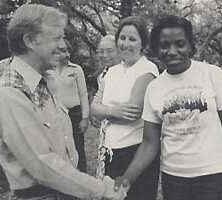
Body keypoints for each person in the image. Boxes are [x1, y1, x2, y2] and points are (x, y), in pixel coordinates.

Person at [0, 4, 126, 200]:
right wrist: (100, 189)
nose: (63, 45)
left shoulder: (43, 82)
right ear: (30, 40)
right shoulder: (11, 92)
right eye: (56, 38)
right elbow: (42, 165)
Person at [114, 15, 222, 200]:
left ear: (190, 46)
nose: (172, 51)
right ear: (156, 49)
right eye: (164, 45)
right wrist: (127, 178)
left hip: (213, 174)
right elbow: (150, 143)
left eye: (180, 44)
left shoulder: (212, 74)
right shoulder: (154, 88)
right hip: (174, 178)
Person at [91, 16, 160, 200]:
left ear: (143, 43)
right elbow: (93, 109)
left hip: (134, 152)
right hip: (109, 151)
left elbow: (132, 113)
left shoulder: (147, 69)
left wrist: (103, 111)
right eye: (122, 38)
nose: (126, 44)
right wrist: (112, 111)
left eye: (132, 39)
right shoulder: (112, 72)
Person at [46, 41, 89, 173]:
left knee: (78, 145)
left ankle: (83, 176)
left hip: (74, 113)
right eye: (63, 51)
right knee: (59, 145)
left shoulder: (76, 69)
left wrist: (85, 117)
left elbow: (83, 94)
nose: (67, 55)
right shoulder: (47, 70)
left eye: (68, 51)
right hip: (56, 114)